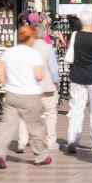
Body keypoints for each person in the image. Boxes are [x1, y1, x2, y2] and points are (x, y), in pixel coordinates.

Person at [0, 24, 50, 169]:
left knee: (7, 127)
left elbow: (0, 74)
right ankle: (40, 155)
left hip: (12, 94)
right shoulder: (34, 54)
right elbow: (39, 75)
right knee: (36, 127)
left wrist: (8, 84)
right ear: (31, 38)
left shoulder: (8, 52)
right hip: (30, 95)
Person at [63, 14, 92, 153]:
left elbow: (70, 55)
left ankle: (72, 140)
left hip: (77, 76)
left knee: (76, 110)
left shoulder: (76, 35)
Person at [31, 24, 61, 154]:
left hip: (31, 86)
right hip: (47, 85)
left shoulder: (28, 48)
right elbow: (53, 68)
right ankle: (50, 140)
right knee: (50, 113)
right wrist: (56, 82)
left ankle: (34, 140)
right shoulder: (48, 48)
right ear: (44, 34)